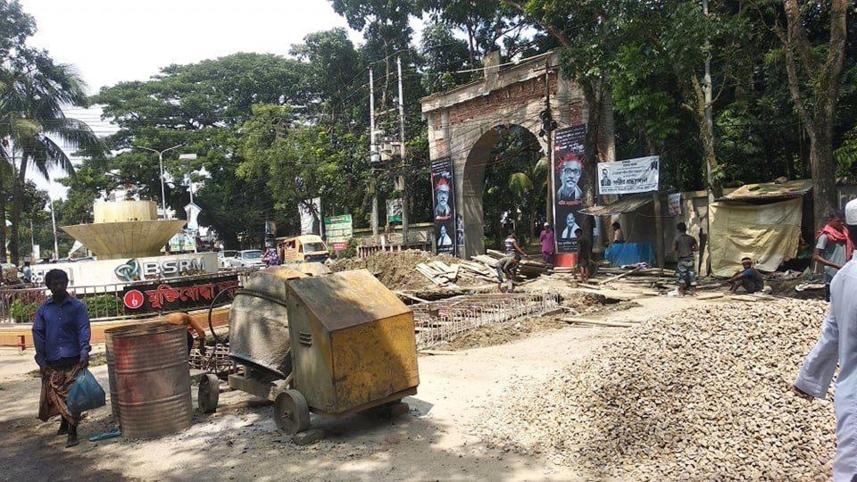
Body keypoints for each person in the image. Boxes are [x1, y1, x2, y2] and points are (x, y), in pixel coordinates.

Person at [793, 198, 857, 480]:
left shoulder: (844, 279)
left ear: (849, 233)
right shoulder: (833, 257)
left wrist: (808, 379)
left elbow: (831, 334)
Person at [32, 269, 91, 447]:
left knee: (73, 396)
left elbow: (83, 329)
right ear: (48, 286)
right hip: (52, 360)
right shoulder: (44, 310)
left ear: (67, 283)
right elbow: (38, 333)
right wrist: (41, 360)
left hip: (74, 358)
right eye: (54, 284)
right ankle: (65, 423)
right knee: (57, 395)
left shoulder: (77, 307)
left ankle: (72, 432)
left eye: (61, 283)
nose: (58, 287)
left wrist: (84, 351)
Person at [814, 211, 852, 301]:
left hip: (845, 274)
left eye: (842, 221)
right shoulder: (825, 236)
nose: (841, 223)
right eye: (838, 221)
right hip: (832, 275)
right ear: (830, 221)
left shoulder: (846, 234)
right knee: (831, 304)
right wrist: (836, 266)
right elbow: (816, 257)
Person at [673, 222, 699, 296]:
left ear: (678, 230)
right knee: (692, 275)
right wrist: (690, 249)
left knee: (682, 276)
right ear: (685, 229)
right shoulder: (691, 238)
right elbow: (697, 248)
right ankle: (693, 292)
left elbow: (674, 249)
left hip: (682, 260)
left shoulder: (677, 239)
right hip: (690, 259)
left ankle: (681, 293)